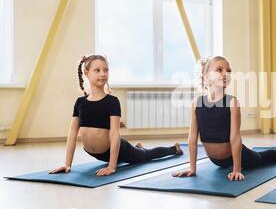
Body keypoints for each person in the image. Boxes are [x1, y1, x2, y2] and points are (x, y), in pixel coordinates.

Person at [49, 54, 183, 176]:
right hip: (95, 153)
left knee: (145, 156)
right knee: (138, 154)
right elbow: (72, 134)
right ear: (86, 73)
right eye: (97, 70)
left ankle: (174, 149)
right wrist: (67, 164)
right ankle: (138, 149)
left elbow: (114, 134)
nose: (103, 73)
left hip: (118, 149)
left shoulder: (112, 101)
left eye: (106, 70)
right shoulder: (80, 102)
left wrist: (112, 166)